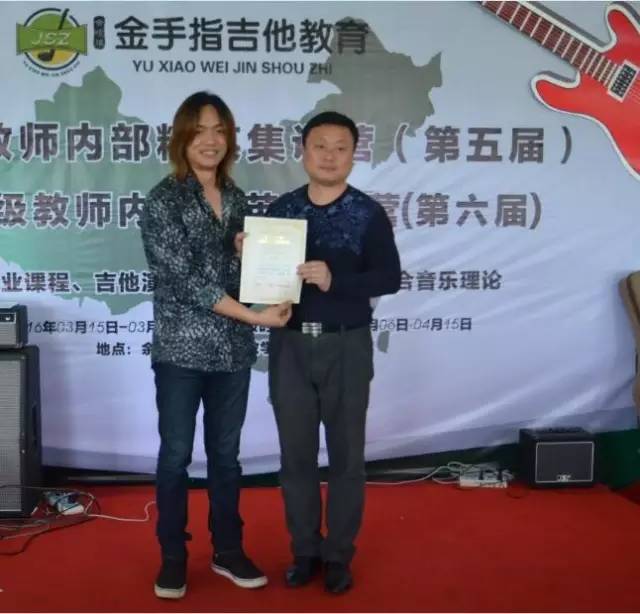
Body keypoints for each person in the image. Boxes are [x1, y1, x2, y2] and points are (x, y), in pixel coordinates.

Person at [140, 91, 291, 600]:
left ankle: (228, 550)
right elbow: (186, 282)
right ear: (182, 138)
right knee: (175, 456)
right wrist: (256, 316)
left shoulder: (238, 199)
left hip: (232, 352)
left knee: (226, 457)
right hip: (181, 352)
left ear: (230, 139)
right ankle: (173, 557)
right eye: (200, 130)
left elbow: (241, 280)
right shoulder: (163, 201)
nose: (210, 140)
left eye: (220, 130)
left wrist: (255, 263)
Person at [267, 111, 401, 593]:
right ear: (302, 152)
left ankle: (339, 555)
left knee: (347, 457)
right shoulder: (281, 211)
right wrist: (246, 253)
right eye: (319, 146)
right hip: (290, 346)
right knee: (295, 457)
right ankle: (304, 551)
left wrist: (335, 279)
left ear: (353, 155)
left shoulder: (367, 213)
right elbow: (258, 281)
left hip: (347, 344)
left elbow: (390, 278)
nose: (329, 156)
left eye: (340, 147)